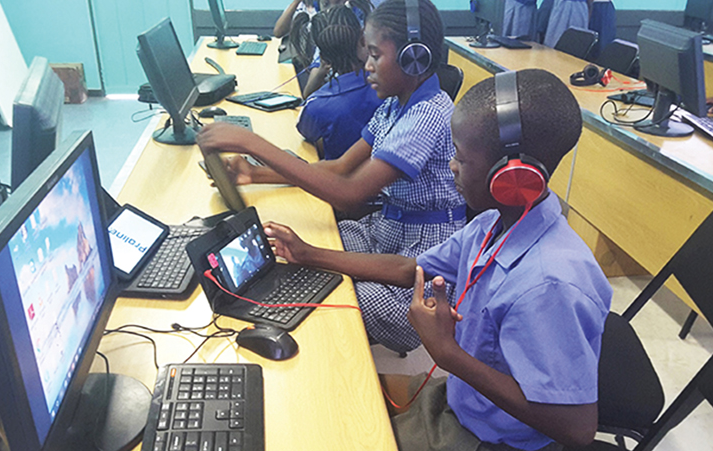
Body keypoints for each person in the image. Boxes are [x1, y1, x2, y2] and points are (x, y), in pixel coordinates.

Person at [262, 69, 612, 450]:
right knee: (339, 394)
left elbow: (577, 429)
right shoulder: (491, 225)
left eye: (461, 158)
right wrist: (308, 253)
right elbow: (409, 269)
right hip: (462, 400)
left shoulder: (548, 284)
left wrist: (448, 353)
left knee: (348, 433)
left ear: (511, 175)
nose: (451, 167)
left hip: (487, 439)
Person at [198, 0, 466, 353]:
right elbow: (340, 167)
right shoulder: (396, 104)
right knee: (295, 249)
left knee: (333, 295)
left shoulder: (427, 115)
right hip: (386, 231)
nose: (367, 66)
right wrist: (256, 173)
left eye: (375, 55)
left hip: (420, 265)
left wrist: (252, 143)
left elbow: (349, 193)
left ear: (412, 58)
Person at [291, 6, 383, 160]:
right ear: (363, 39)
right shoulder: (390, 86)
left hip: (339, 173)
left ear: (323, 57)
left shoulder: (316, 105)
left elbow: (306, 132)